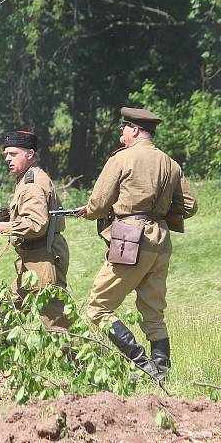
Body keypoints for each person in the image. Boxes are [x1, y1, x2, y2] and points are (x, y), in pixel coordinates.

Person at [77, 107, 198, 381]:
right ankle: (161, 370)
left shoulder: (122, 159)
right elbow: (189, 206)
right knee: (153, 311)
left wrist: (86, 211)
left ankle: (141, 363)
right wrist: (159, 212)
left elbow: (97, 204)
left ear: (133, 130)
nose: (121, 134)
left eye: (123, 129)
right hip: (161, 240)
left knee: (98, 307)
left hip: (129, 238)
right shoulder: (171, 163)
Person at [0, 130, 71, 329]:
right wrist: (5, 215)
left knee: (56, 320)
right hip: (33, 256)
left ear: (30, 154)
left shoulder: (32, 184)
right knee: (9, 309)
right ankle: (1, 359)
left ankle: (81, 359)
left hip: (43, 257)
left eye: (13, 154)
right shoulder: (26, 179)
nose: (7, 159)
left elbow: (36, 224)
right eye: (6, 154)